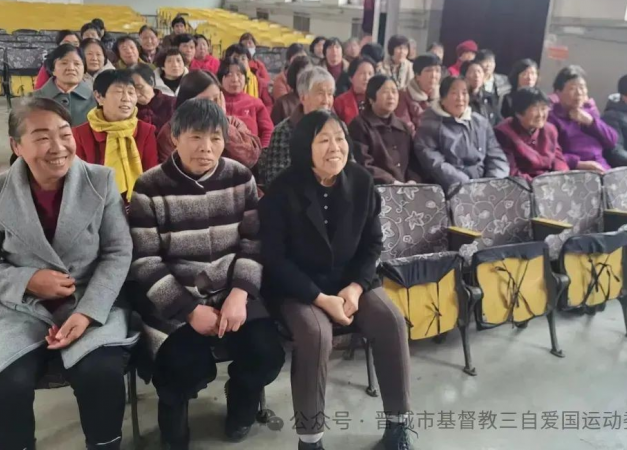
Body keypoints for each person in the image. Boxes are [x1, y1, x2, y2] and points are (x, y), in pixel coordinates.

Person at [0, 98, 136, 450]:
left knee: (101, 375)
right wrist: (26, 280)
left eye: (64, 133)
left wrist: (88, 312)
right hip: (21, 309)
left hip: (90, 301)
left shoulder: (100, 181)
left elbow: (118, 252)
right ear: (16, 145)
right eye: (41, 137)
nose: (58, 147)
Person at [128, 99, 285, 448]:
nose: (206, 148)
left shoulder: (239, 177)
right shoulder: (150, 187)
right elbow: (145, 261)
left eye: (215, 138)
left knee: (266, 353)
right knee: (180, 364)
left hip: (233, 293)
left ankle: (241, 400)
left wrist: (240, 293)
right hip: (177, 299)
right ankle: (174, 423)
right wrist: (188, 310)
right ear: (175, 137)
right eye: (196, 137)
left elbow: (253, 243)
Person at [259, 110, 414, 450]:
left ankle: (397, 427)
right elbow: (275, 259)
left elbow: (373, 243)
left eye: (340, 138)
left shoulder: (361, 181)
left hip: (351, 280)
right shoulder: (282, 190)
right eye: (324, 140)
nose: (335, 147)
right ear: (305, 147)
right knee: (315, 335)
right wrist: (320, 298)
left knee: (392, 321)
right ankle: (310, 440)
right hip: (298, 286)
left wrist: (356, 287)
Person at [73, 70, 158, 201]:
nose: (126, 98)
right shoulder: (80, 134)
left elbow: (151, 175)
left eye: (131, 92)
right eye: (119, 92)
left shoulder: (145, 131)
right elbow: (79, 180)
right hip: (96, 203)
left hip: (137, 203)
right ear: (99, 97)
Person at [414, 76, 508, 191]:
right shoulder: (428, 125)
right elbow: (436, 164)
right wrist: (467, 187)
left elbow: (496, 155)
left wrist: (492, 183)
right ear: (442, 99)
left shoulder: (480, 122)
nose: (460, 98)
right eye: (454, 93)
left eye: (464, 93)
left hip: (485, 186)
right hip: (451, 188)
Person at [156, 71, 261, 168]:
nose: (212, 106)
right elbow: (173, 171)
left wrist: (222, 124)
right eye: (204, 101)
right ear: (187, 101)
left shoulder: (233, 123)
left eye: (216, 99)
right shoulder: (171, 131)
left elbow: (250, 158)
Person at [259, 66, 335, 187]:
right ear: (303, 97)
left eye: (330, 94)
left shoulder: (339, 129)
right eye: (320, 93)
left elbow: (349, 170)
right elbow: (276, 180)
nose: (326, 100)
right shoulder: (284, 131)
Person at [349, 75, 422, 184]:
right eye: (385, 92)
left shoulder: (403, 127)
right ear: (371, 98)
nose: (391, 96)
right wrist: (391, 182)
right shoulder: (359, 125)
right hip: (376, 189)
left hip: (407, 189)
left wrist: (412, 180)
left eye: (394, 91)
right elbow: (363, 164)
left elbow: (414, 162)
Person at [547, 66, 618, 173]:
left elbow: (612, 141)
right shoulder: (552, 118)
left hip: (601, 167)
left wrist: (591, 122)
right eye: (572, 88)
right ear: (558, 93)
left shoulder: (589, 112)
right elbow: (548, 154)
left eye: (582, 87)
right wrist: (579, 164)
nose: (579, 93)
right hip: (573, 171)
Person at [495, 87, 569, 181]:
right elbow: (512, 171)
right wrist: (538, 185)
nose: (541, 114)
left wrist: (560, 178)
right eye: (535, 109)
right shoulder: (503, 132)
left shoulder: (550, 130)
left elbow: (558, 159)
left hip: (550, 183)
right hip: (523, 186)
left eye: (543, 108)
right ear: (518, 113)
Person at [33, 43, 96, 126]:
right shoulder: (33, 100)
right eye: (64, 63)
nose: (71, 68)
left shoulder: (97, 101)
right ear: (53, 70)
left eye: (77, 64)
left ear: (84, 70)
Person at [220, 59, 274, 147]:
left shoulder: (256, 103)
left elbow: (268, 130)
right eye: (229, 75)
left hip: (251, 156)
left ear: (245, 79)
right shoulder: (214, 101)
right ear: (220, 79)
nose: (235, 79)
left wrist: (262, 152)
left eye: (239, 74)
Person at [395, 53, 441, 131]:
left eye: (437, 71)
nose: (434, 75)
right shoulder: (403, 95)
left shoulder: (443, 96)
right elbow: (406, 127)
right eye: (428, 70)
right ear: (417, 75)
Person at [224, 43, 273, 109]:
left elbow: (268, 106)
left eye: (243, 59)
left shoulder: (260, 84)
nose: (240, 61)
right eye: (236, 58)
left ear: (248, 61)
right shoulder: (221, 82)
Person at [132, 64, 176, 136]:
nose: (136, 94)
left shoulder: (172, 103)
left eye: (140, 87)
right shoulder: (130, 110)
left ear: (151, 81)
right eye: (131, 89)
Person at [333, 56, 376, 125]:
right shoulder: (340, 102)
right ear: (351, 78)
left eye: (370, 74)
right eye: (362, 73)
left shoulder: (379, 99)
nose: (367, 78)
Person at [271, 55, 312, 125]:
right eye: (302, 74)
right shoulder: (282, 104)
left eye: (310, 74)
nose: (307, 78)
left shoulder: (320, 98)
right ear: (294, 76)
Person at [461, 59, 502, 126]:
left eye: (479, 72)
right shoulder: (461, 99)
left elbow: (498, 120)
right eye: (472, 72)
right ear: (464, 76)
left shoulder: (489, 97)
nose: (476, 75)